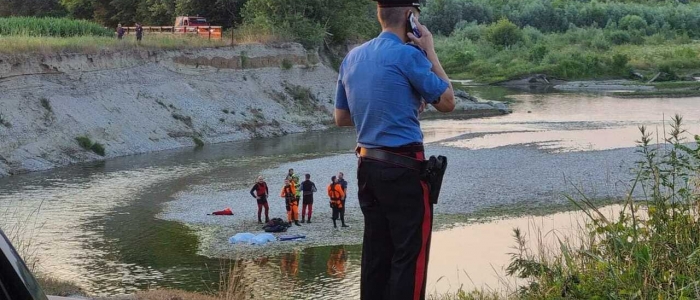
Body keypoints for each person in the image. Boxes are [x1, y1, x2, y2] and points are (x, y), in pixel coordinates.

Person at [334, 0, 455, 299]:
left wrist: (396, 107)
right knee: (409, 254)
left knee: (376, 252)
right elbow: (448, 101)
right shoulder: (408, 55)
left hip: (367, 165)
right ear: (409, 17)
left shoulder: (352, 57)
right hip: (404, 166)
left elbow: (342, 118)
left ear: (380, 14)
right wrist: (430, 50)